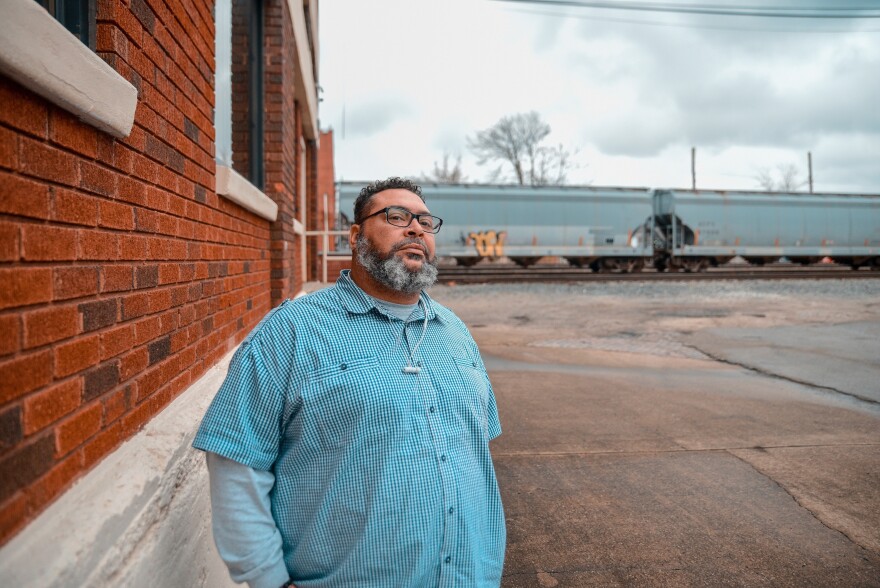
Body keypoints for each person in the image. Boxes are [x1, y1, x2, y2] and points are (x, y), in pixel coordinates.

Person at [193, 177, 506, 587]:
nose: (415, 228)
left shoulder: (455, 332)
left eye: (426, 222)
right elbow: (236, 463)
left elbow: (475, 453)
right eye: (396, 217)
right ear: (355, 236)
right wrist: (267, 579)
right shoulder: (293, 330)